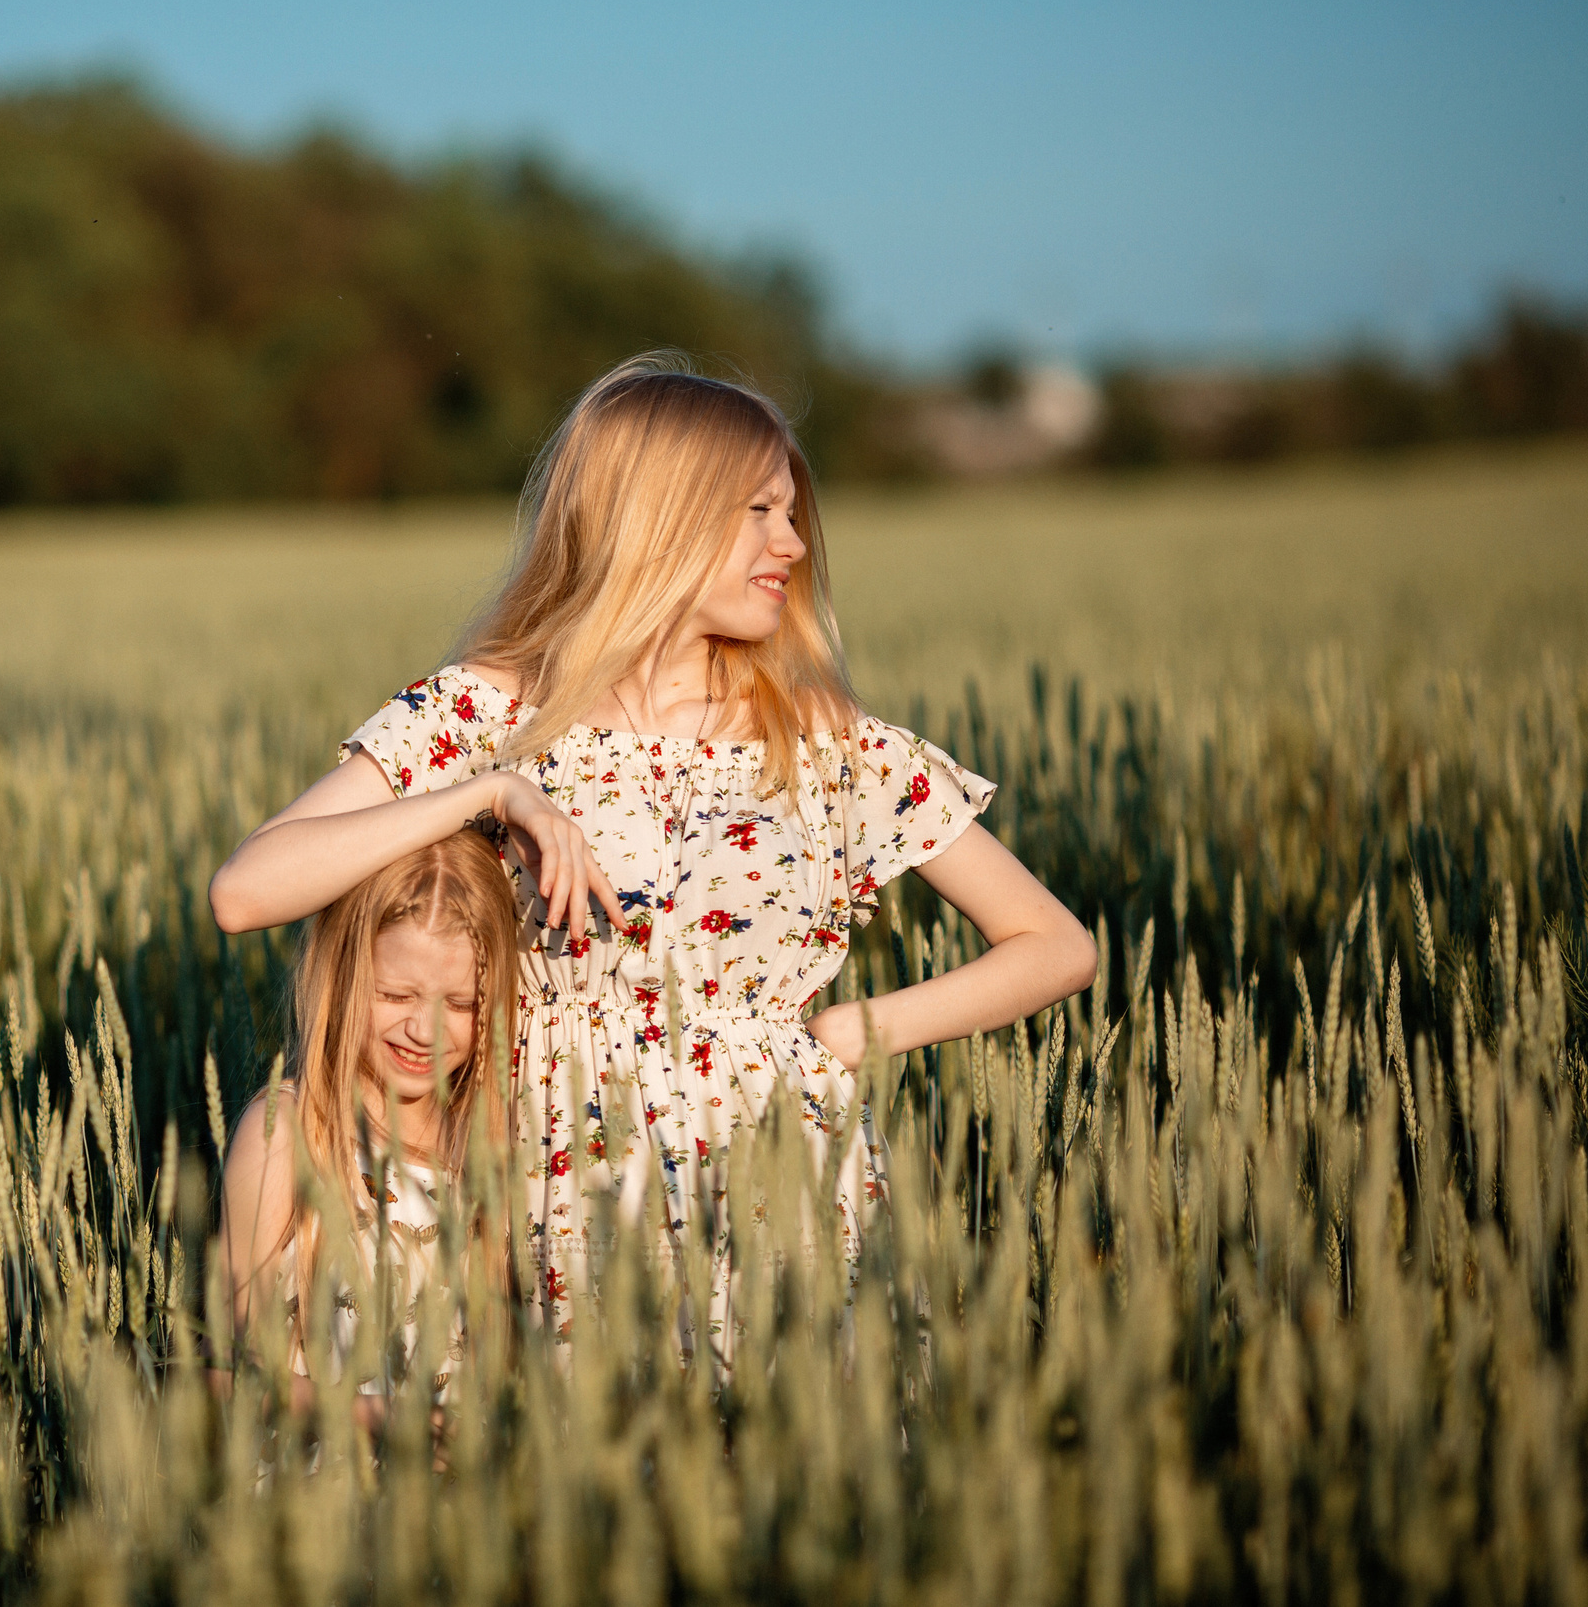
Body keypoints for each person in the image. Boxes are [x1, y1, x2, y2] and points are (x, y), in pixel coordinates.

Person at [210, 352, 1096, 1321]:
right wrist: (490, 793)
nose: (793, 542)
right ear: (659, 517)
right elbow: (247, 891)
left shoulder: (826, 741)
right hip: (555, 1177)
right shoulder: (487, 713)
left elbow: (1054, 945)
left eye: (792, 512)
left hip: (788, 1175)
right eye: (759, 511)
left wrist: (845, 1034)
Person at [217, 829, 520, 1414]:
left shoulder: (486, 1148)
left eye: (460, 1004)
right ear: (344, 974)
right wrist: (373, 1421)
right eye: (395, 995)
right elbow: (222, 1369)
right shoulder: (290, 1133)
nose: (423, 1031)